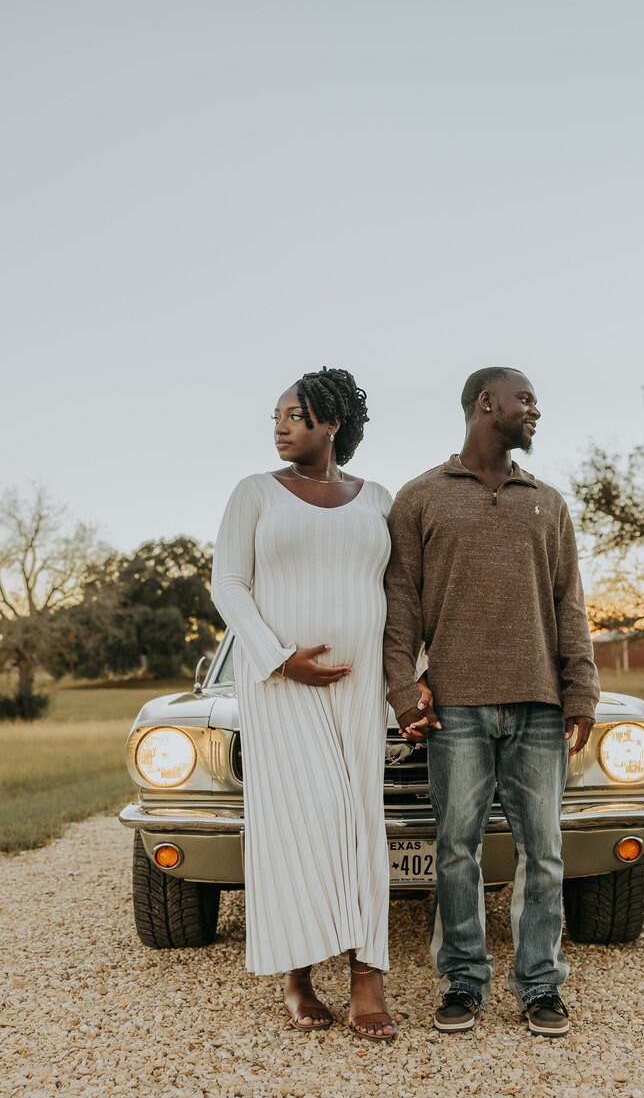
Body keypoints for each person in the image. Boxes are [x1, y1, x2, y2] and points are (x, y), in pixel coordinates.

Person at [383, 366, 599, 1037]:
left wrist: (581, 688)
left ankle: (540, 986)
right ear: (486, 403)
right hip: (458, 708)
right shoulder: (421, 499)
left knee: (545, 850)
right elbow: (401, 609)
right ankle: (463, 981)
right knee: (457, 848)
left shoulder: (548, 501)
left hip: (538, 704)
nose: (536, 411)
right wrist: (400, 690)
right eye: (526, 400)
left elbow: (570, 602)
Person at [211, 367, 395, 1043]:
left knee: (360, 824)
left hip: (360, 686)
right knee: (299, 824)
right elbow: (229, 583)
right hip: (281, 686)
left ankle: (368, 977)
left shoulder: (377, 498)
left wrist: (415, 677)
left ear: (332, 420)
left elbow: (400, 595)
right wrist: (279, 657)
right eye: (277, 418)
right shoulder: (256, 493)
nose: (282, 426)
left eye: (294, 414)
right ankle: (297, 976)